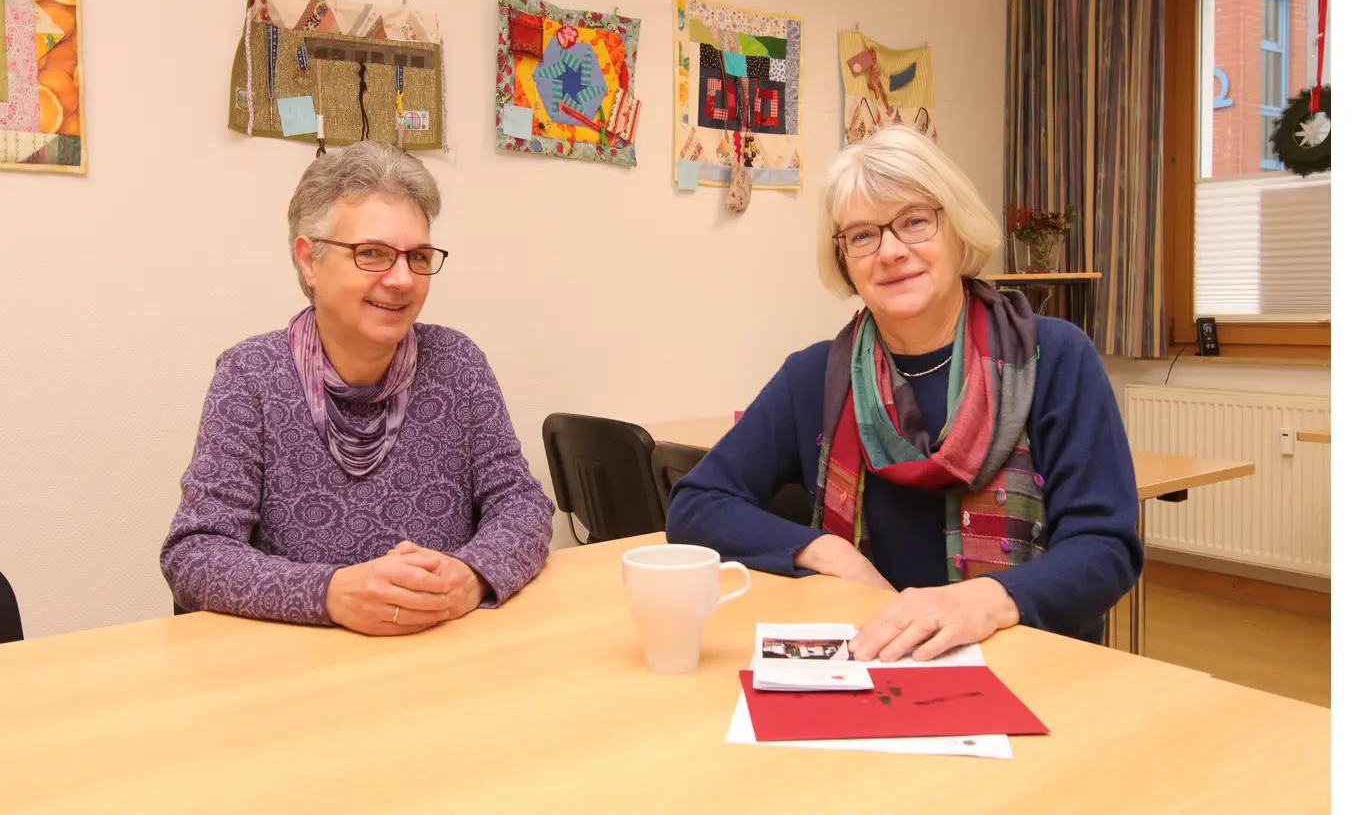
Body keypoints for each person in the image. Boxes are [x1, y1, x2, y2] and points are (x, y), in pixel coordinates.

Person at [666, 126, 1142, 661]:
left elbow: (1105, 547)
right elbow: (696, 504)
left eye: (915, 222)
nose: (890, 252)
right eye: (862, 236)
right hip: (870, 661)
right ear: (844, 261)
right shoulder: (814, 376)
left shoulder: (1054, 358)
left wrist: (985, 602)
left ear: (958, 232)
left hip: (1028, 665)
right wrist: (828, 552)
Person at [161, 141, 554, 635]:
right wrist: (331, 593)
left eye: (417, 256)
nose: (402, 279)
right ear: (309, 260)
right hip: (306, 664)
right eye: (372, 253)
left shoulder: (457, 363)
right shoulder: (251, 375)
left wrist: (472, 575)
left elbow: (522, 503)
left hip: (445, 651)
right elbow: (195, 553)